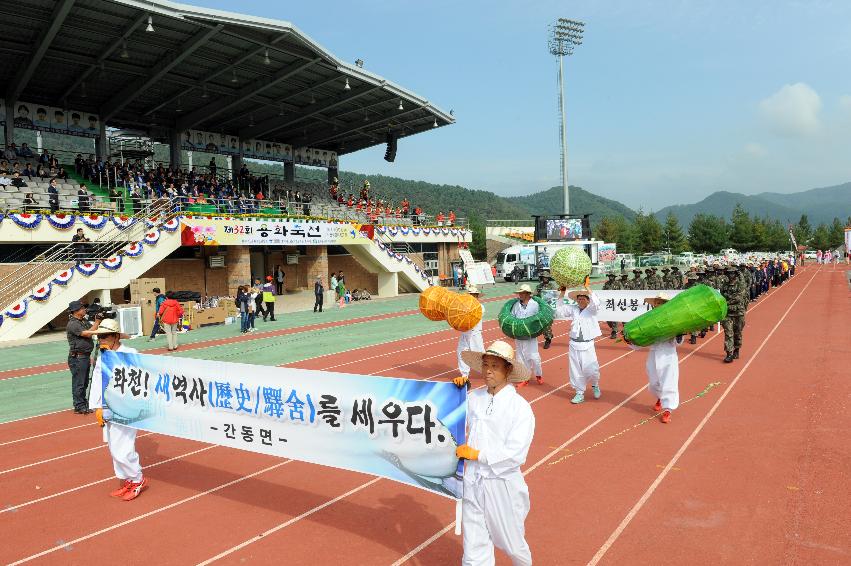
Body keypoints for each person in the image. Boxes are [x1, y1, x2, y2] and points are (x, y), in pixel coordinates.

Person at [454, 340, 534, 566]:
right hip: (473, 481)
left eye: (495, 366)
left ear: (508, 370)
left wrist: (478, 455)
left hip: (502, 484)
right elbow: (452, 417)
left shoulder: (519, 408)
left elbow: (516, 453)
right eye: (486, 365)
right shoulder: (475, 398)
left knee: (513, 545)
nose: (488, 370)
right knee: (474, 546)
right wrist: (456, 393)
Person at [88, 318, 149, 501]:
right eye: (99, 337)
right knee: (114, 447)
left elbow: (138, 379)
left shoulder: (129, 353)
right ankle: (128, 480)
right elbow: (98, 382)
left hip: (125, 409)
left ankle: (137, 480)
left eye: (104, 336)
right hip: (108, 409)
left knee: (123, 449)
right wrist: (97, 407)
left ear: (115, 336)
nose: (101, 340)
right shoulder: (103, 356)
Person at [623, 293, 680, 424]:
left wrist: (679, 334)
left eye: (661, 302)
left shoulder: (674, 318)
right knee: (654, 382)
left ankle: (668, 410)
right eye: (657, 302)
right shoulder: (648, 320)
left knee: (669, 381)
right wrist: (629, 341)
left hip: (668, 354)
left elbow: (678, 341)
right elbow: (643, 338)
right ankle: (660, 397)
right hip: (654, 353)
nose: (658, 304)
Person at [555, 280, 603, 404]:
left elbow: (597, 303)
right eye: (579, 299)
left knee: (592, 369)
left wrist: (587, 287)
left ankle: (595, 385)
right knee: (575, 370)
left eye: (583, 299)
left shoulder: (592, 310)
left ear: (588, 300)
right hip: (574, 344)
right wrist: (562, 292)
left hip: (587, 345)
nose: (581, 301)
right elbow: (559, 310)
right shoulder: (574, 309)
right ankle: (579, 393)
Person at [66, 300, 102, 414]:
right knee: (79, 382)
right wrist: (97, 322)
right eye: (82, 308)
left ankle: (83, 402)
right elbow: (87, 333)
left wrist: (99, 322)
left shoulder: (83, 320)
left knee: (85, 382)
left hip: (84, 356)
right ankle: (79, 405)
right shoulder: (73, 324)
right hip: (77, 357)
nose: (84, 310)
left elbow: (93, 329)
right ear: (76, 311)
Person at [511, 284, 543, 386]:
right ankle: (525, 378)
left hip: (530, 335)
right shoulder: (516, 305)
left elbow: (538, 319)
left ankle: (538, 375)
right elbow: (512, 317)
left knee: (533, 356)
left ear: (528, 294)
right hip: (519, 335)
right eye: (519, 293)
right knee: (520, 357)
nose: (520, 294)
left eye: (522, 293)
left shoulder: (534, 305)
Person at [456, 286, 485, 380]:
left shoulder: (480, 307)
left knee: (479, 355)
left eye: (473, 295)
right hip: (465, 334)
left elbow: (472, 318)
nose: (472, 297)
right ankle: (464, 375)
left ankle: (489, 371)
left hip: (475, 334)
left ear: (477, 296)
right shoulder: (463, 307)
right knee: (461, 352)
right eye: (470, 295)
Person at [720, 266, 747, 363]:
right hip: (727, 314)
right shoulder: (724, 286)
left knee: (738, 333)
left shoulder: (740, 285)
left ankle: (737, 349)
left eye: (732, 273)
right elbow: (721, 297)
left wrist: (726, 303)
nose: (730, 275)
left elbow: (738, 298)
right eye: (729, 273)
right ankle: (729, 353)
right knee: (728, 333)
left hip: (738, 313)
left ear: (735, 274)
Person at [534, 269, 559, 348]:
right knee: (542, 325)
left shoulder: (552, 286)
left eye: (547, 277)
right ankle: (548, 336)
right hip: (541, 308)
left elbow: (556, 295)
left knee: (546, 324)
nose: (545, 279)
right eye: (544, 277)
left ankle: (548, 338)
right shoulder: (539, 286)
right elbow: (534, 296)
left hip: (550, 308)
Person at [602, 272, 623, 339]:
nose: (610, 277)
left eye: (612, 276)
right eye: (609, 276)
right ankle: (613, 327)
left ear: (614, 277)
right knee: (608, 319)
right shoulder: (606, 284)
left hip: (616, 302)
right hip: (608, 303)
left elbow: (623, 292)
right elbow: (602, 291)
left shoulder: (618, 283)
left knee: (614, 317)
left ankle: (614, 331)